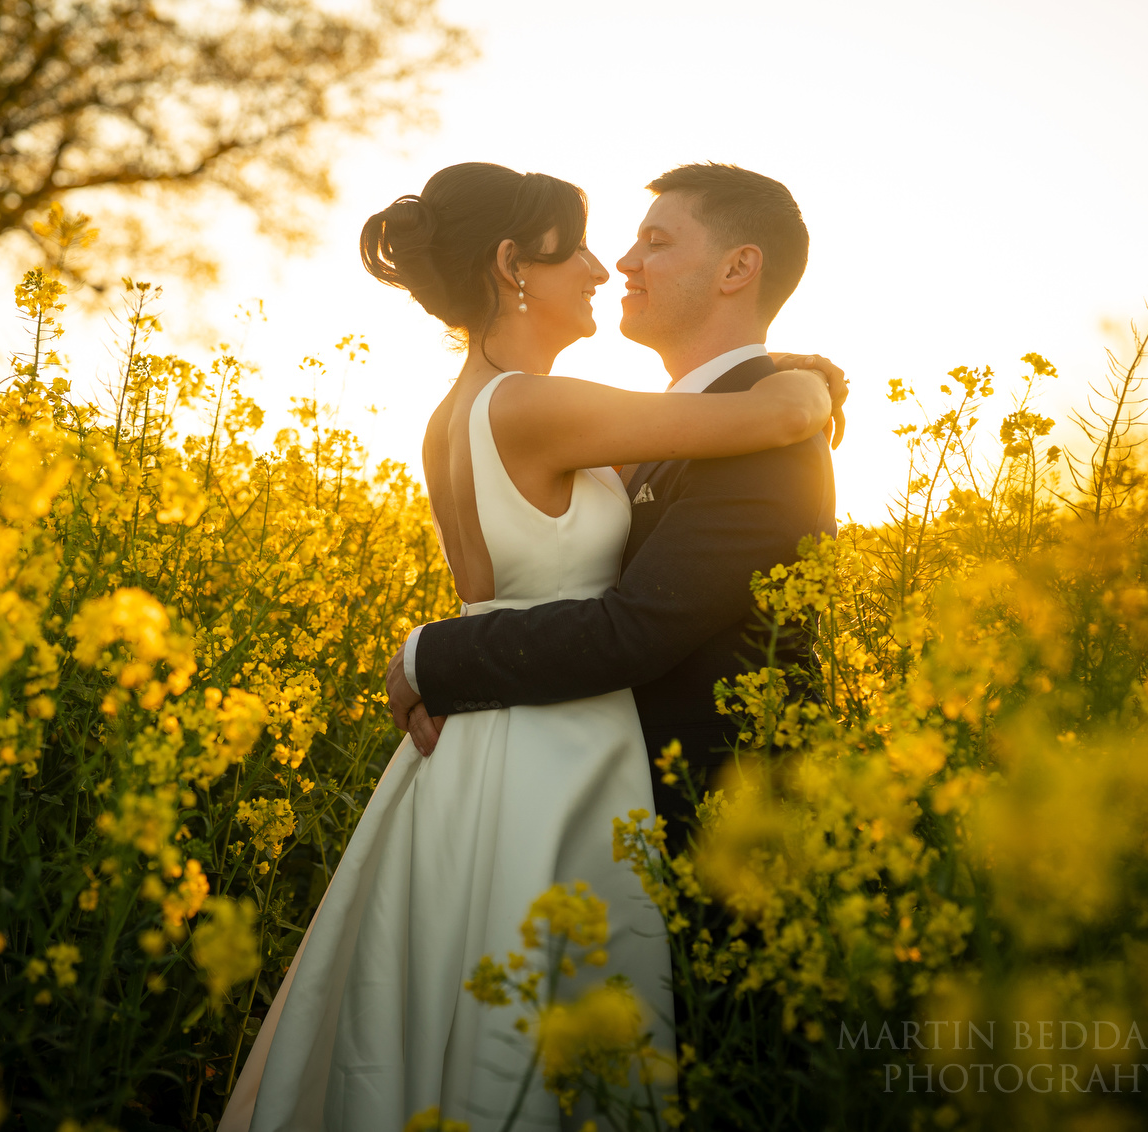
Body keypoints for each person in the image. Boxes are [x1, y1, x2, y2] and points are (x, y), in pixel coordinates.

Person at [221, 161, 841, 1132]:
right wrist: (809, 387)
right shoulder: (539, 408)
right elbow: (772, 417)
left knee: (456, 1001)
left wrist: (434, 656)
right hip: (554, 754)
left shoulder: (468, 411)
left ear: (738, 268)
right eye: (583, 250)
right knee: (530, 1023)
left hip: (488, 748)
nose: (609, 267)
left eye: (650, 243)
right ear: (511, 267)